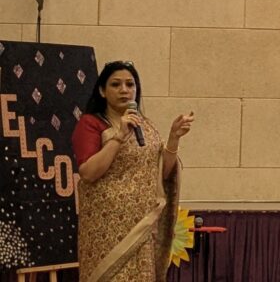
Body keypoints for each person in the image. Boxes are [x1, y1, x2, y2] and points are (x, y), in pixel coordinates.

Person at [71, 60, 195, 282]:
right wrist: (119, 136)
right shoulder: (91, 124)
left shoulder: (144, 126)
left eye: (130, 84)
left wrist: (173, 138)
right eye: (116, 84)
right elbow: (88, 173)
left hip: (142, 227)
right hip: (106, 230)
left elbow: (161, 174)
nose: (124, 90)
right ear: (102, 91)